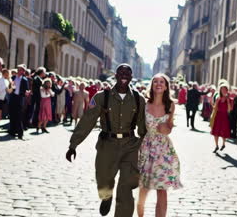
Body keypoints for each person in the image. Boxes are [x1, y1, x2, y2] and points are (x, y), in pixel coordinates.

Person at [66, 64, 147, 217]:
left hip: (130, 146)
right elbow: (87, 121)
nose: (124, 75)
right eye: (121, 72)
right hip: (107, 145)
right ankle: (106, 197)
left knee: (126, 187)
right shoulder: (102, 97)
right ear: (115, 75)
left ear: (131, 77)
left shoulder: (138, 99)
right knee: (103, 180)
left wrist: (147, 150)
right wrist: (73, 144)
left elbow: (142, 125)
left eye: (127, 73)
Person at [137, 73, 181, 217]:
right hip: (147, 148)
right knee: (144, 187)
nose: (158, 84)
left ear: (166, 86)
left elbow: (169, 127)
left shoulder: (171, 105)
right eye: (155, 81)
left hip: (164, 150)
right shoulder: (144, 103)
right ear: (152, 85)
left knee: (162, 189)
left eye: (161, 81)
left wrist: (166, 129)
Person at [210, 82, 232, 152]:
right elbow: (214, 108)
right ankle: (216, 146)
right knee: (215, 132)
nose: (223, 91)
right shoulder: (218, 98)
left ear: (227, 90)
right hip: (218, 116)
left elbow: (229, 110)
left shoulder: (229, 99)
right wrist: (214, 103)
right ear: (220, 90)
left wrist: (228, 101)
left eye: (225, 89)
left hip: (224, 117)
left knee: (223, 132)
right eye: (222, 89)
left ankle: (223, 144)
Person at [9, 64, 29, 139]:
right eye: (19, 69)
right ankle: (12, 131)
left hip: (20, 98)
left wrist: (26, 93)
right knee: (12, 114)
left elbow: (26, 89)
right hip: (13, 97)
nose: (20, 71)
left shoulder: (24, 79)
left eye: (22, 70)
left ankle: (20, 133)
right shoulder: (13, 77)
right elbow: (9, 86)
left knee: (19, 116)